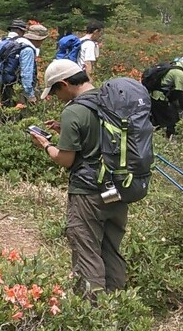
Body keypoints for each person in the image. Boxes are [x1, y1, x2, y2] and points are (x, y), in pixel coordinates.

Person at [32, 58, 128, 293]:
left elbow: (65, 159)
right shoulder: (110, 100)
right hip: (120, 187)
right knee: (110, 249)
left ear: (64, 84)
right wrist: (64, 131)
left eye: (55, 92)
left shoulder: (74, 111)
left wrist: (45, 145)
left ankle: (92, 314)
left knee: (87, 252)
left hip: (88, 192)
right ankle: (116, 304)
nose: (56, 98)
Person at [0, 19, 29, 107]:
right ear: (20, 31)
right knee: (20, 107)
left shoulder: (0, 42)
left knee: (6, 105)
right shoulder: (23, 42)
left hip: (3, 80)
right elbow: (27, 67)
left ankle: (5, 119)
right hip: (18, 83)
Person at [147, 60, 183, 137]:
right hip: (160, 98)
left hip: (153, 96)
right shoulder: (179, 73)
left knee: (158, 120)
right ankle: (168, 138)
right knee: (172, 121)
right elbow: (179, 93)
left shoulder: (172, 66)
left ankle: (158, 137)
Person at [16, 23, 49, 104]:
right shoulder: (28, 50)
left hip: (12, 85)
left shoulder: (18, 42)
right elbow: (26, 74)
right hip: (21, 89)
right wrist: (30, 95)